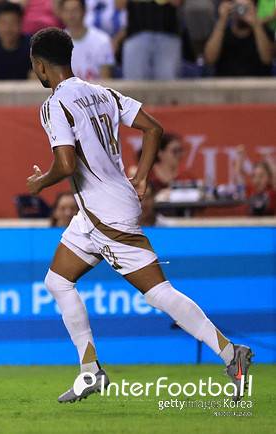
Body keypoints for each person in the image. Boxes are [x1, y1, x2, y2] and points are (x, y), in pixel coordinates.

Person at [25, 27, 251, 403]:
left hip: (105, 214)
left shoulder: (54, 105)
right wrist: (142, 176)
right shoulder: (103, 92)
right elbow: (153, 128)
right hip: (98, 210)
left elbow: (65, 163)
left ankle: (231, 353)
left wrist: (40, 183)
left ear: (40, 66)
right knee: (58, 281)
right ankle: (90, 371)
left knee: (159, 293)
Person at [204, 0, 273, 77]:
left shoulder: (264, 32)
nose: (241, 11)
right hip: (226, 82)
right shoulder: (221, 32)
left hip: (257, 82)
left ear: (255, 9)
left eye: (246, 8)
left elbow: (267, 59)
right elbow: (209, 60)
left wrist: (256, 24)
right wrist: (222, 20)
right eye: (238, 7)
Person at [120, 0, 182, 80]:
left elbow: (177, 2)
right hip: (135, 35)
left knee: (167, 83)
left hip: (168, 35)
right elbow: (119, 4)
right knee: (133, 83)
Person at [58, 0, 114, 80]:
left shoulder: (102, 41)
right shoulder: (56, 42)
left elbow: (106, 80)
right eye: (66, 11)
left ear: (84, 11)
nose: (70, 15)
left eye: (74, 10)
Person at [233, 146, 276, 216]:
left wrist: (268, 159)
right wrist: (240, 158)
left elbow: (274, 175)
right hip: (251, 222)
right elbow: (238, 176)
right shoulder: (250, 191)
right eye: (254, 176)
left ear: (269, 178)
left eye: (261, 176)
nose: (257, 180)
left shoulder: (272, 193)